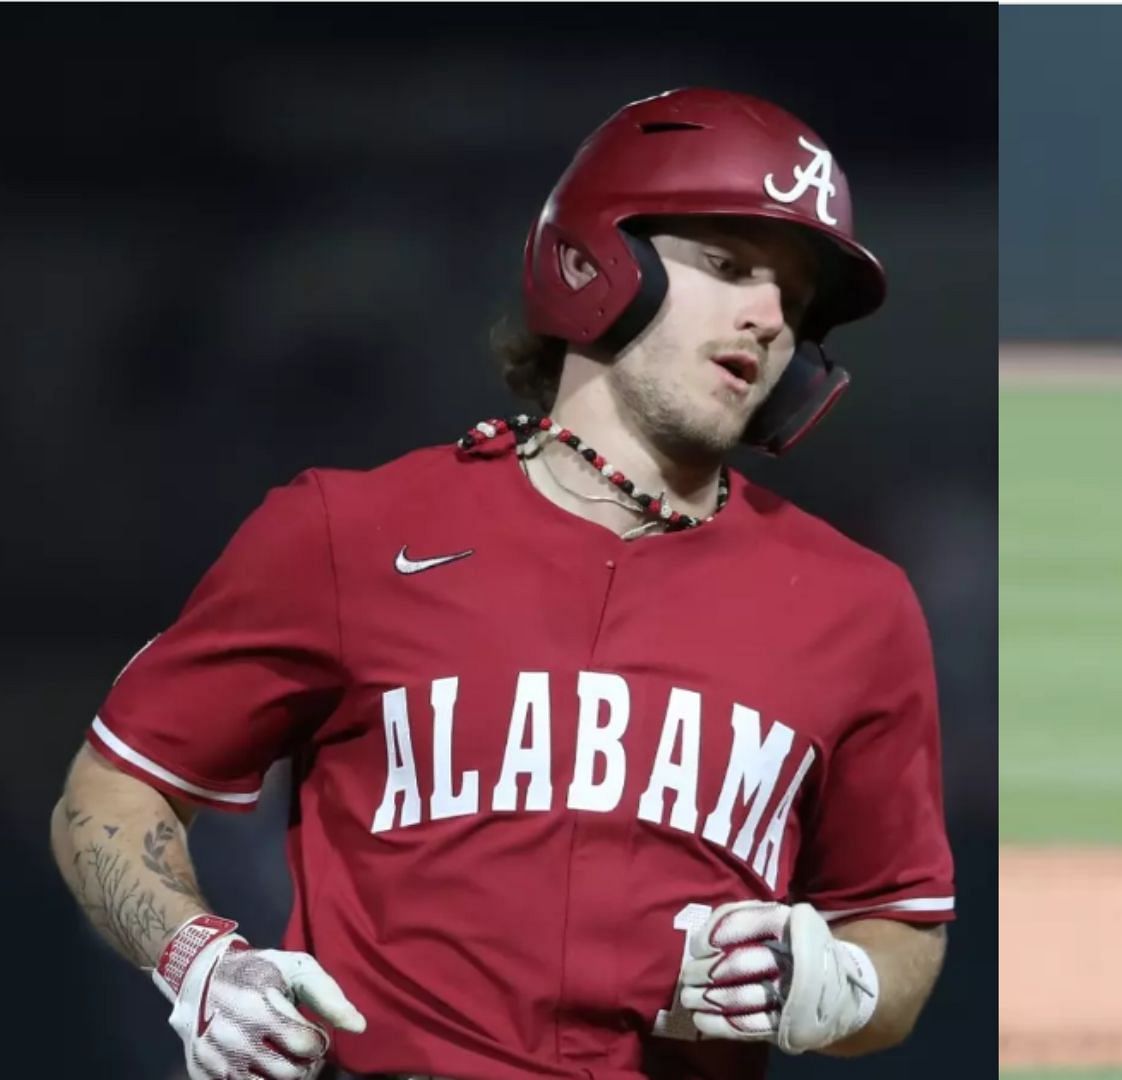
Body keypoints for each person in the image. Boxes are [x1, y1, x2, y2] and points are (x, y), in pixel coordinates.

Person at [51, 87, 954, 1080]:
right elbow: (114, 791)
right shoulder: (347, 532)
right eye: (729, 267)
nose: (769, 317)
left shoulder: (855, 605)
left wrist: (843, 985)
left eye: (794, 296)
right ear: (595, 263)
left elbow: (900, 926)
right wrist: (200, 963)